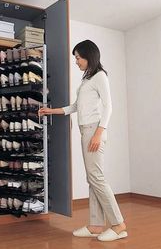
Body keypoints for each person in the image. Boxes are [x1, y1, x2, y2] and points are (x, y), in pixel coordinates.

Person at [38, 40, 127, 242]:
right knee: (92, 178)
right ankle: (96, 225)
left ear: (89, 56)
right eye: (75, 58)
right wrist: (51, 111)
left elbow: (109, 106)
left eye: (78, 57)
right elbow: (75, 106)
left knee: (97, 177)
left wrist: (98, 132)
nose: (76, 61)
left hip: (94, 130)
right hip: (86, 130)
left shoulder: (100, 76)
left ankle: (119, 225)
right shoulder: (87, 80)